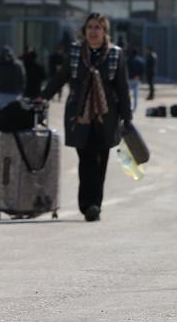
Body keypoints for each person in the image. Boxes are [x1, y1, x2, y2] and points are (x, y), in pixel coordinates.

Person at [39, 13, 131, 222]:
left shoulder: (116, 55)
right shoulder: (74, 53)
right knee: (86, 161)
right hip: (79, 117)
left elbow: (122, 88)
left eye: (97, 27)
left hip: (106, 117)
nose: (93, 31)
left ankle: (95, 204)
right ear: (84, 31)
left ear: (104, 31)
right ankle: (87, 205)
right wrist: (43, 97)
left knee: (101, 162)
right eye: (89, 27)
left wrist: (127, 118)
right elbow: (60, 78)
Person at [0, 46, 26, 111]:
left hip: (2, 93)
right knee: (14, 114)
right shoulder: (18, 65)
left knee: (3, 113)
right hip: (15, 93)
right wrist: (22, 90)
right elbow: (23, 79)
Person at [126, 47, 146, 113]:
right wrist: (139, 75)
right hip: (136, 79)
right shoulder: (140, 60)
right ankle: (135, 106)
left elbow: (125, 69)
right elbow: (143, 69)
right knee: (135, 94)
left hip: (129, 78)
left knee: (128, 94)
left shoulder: (128, 60)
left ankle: (129, 106)